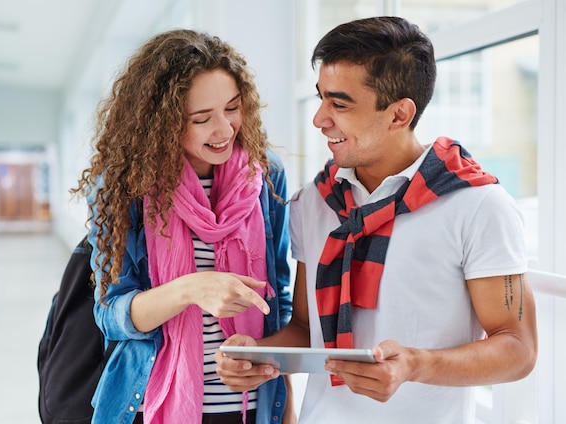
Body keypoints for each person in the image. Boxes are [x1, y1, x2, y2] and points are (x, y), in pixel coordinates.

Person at [215, 16, 538, 423]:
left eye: (340, 104)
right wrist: (259, 357)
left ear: (400, 114)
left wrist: (415, 365)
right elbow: (304, 327)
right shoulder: (314, 202)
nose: (319, 119)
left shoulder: (479, 206)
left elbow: (518, 348)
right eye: (320, 98)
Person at [72, 29, 294, 424]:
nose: (225, 129)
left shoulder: (266, 176)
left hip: (248, 408)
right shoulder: (126, 184)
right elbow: (111, 315)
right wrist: (191, 289)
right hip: (151, 403)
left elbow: (279, 301)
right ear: (164, 121)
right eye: (202, 118)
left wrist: (266, 360)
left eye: (232, 108)